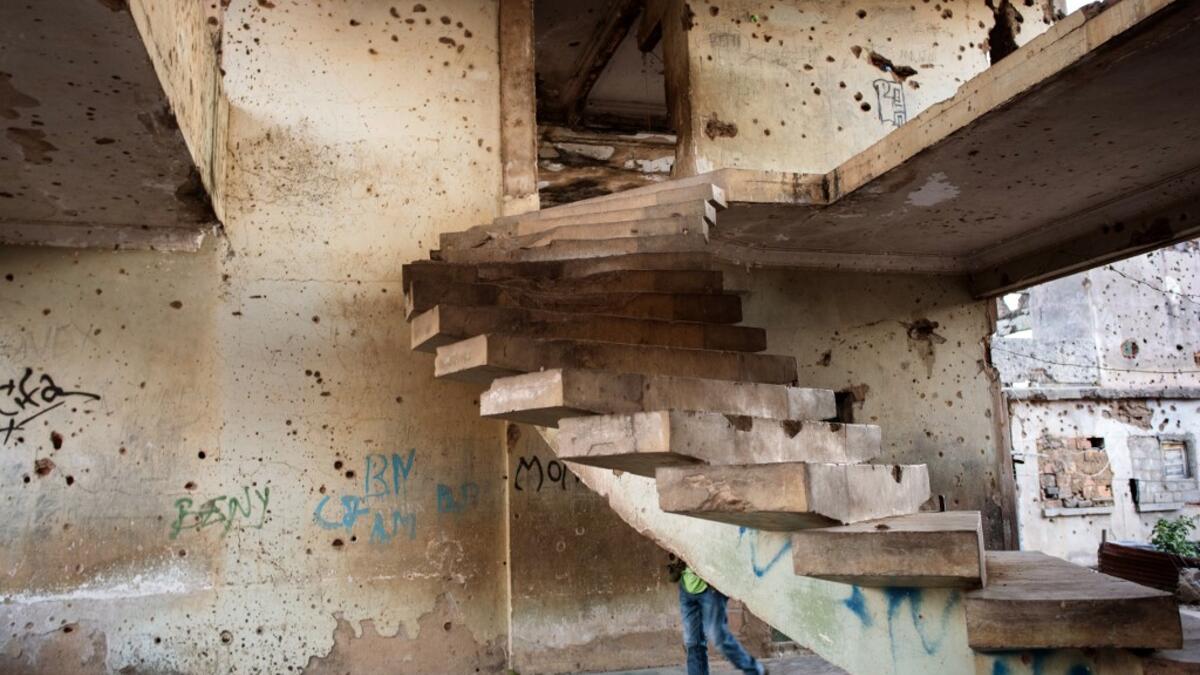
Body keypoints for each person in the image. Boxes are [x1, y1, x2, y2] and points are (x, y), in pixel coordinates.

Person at [668, 556, 767, 675]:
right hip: (687, 587)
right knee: (693, 642)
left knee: (717, 636)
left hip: (710, 588)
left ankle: (756, 670)